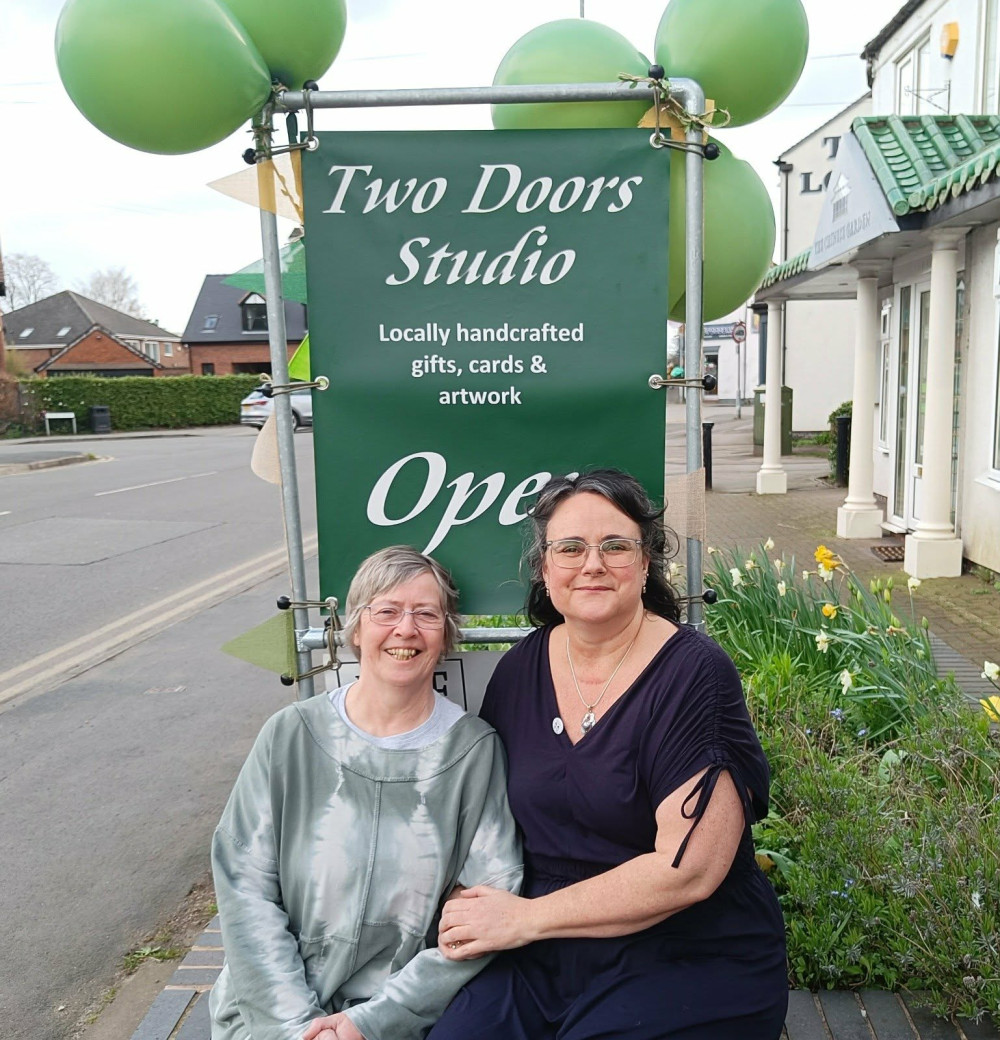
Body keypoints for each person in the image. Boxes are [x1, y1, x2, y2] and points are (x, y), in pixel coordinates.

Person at [429, 469, 787, 1040]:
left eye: (615, 546)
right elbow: (483, 818)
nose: (592, 564)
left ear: (645, 565)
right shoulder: (519, 670)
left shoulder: (694, 675)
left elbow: (690, 872)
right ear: (545, 569)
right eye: (570, 548)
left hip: (684, 949)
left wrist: (525, 918)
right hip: (543, 954)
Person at [209, 546, 522, 1040]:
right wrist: (295, 1028)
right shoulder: (290, 735)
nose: (406, 629)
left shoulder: (473, 754)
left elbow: (486, 908)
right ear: (356, 628)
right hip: (268, 1014)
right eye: (387, 611)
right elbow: (244, 886)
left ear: (446, 635)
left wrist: (371, 1022)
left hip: (400, 1019)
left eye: (426, 614)